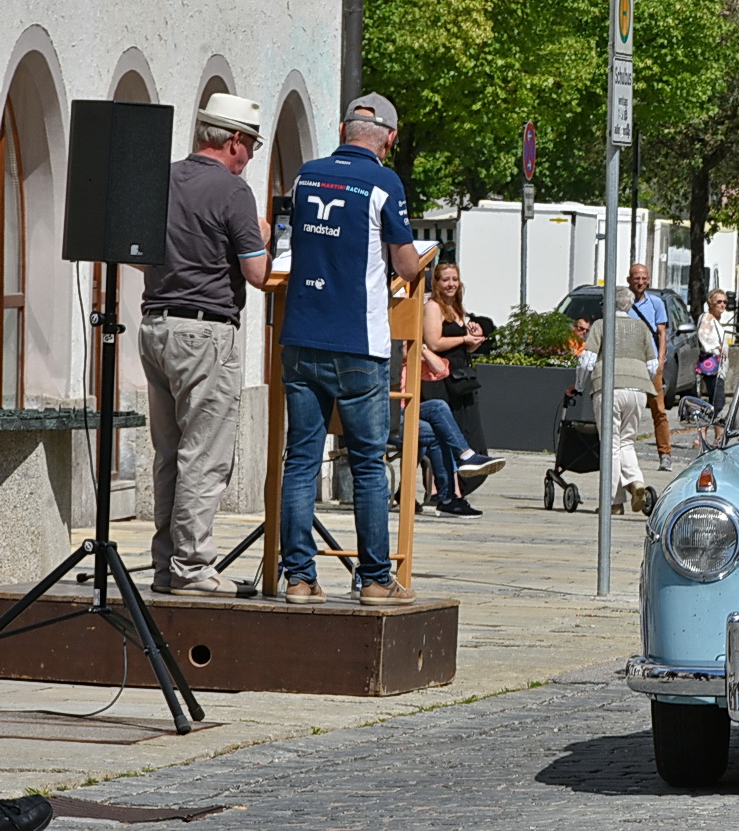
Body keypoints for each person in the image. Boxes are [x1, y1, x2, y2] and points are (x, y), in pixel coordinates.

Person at [278, 93, 422, 606]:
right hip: (359, 342)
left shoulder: (306, 175)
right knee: (366, 463)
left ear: (343, 131)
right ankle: (376, 580)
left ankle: (298, 577)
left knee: (300, 460)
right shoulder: (384, 181)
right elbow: (405, 266)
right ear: (390, 137)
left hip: (300, 335)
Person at [139, 92, 271, 599]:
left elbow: (135, 255)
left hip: (156, 326)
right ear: (234, 141)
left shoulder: (163, 178)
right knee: (205, 455)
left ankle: (165, 567)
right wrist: (262, 236)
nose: (253, 155)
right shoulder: (233, 191)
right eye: (253, 146)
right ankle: (193, 568)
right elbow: (257, 274)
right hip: (206, 330)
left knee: (169, 452)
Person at [422, 263, 504, 486]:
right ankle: (446, 489)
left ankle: (459, 486)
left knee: (465, 430)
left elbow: (462, 348)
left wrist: (473, 340)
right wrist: (464, 339)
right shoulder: (433, 307)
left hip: (460, 377)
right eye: (446, 279)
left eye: (455, 279)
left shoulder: (457, 309)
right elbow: (433, 342)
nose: (451, 284)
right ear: (436, 283)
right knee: (445, 435)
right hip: (441, 379)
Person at [584, 286, 654, 513]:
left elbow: (587, 360)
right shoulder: (641, 327)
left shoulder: (601, 325)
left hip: (609, 388)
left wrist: (578, 385)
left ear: (609, 305)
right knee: (627, 441)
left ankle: (611, 503)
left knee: (611, 446)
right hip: (639, 388)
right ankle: (636, 482)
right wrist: (640, 379)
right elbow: (653, 364)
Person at [628, 264, 674, 471]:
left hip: (650, 363)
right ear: (629, 280)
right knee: (627, 408)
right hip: (629, 363)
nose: (640, 282)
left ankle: (665, 454)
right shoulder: (623, 303)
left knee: (659, 410)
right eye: (636, 278)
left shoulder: (656, 303)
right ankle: (622, 453)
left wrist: (661, 360)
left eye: (644, 278)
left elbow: (662, 333)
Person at [696, 288, 729, 411]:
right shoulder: (707, 318)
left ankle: (706, 429)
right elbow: (702, 334)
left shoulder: (715, 320)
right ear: (711, 303)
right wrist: (714, 348)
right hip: (712, 365)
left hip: (718, 367)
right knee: (718, 401)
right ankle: (711, 426)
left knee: (714, 402)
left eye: (725, 302)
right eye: (719, 301)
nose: (722, 305)